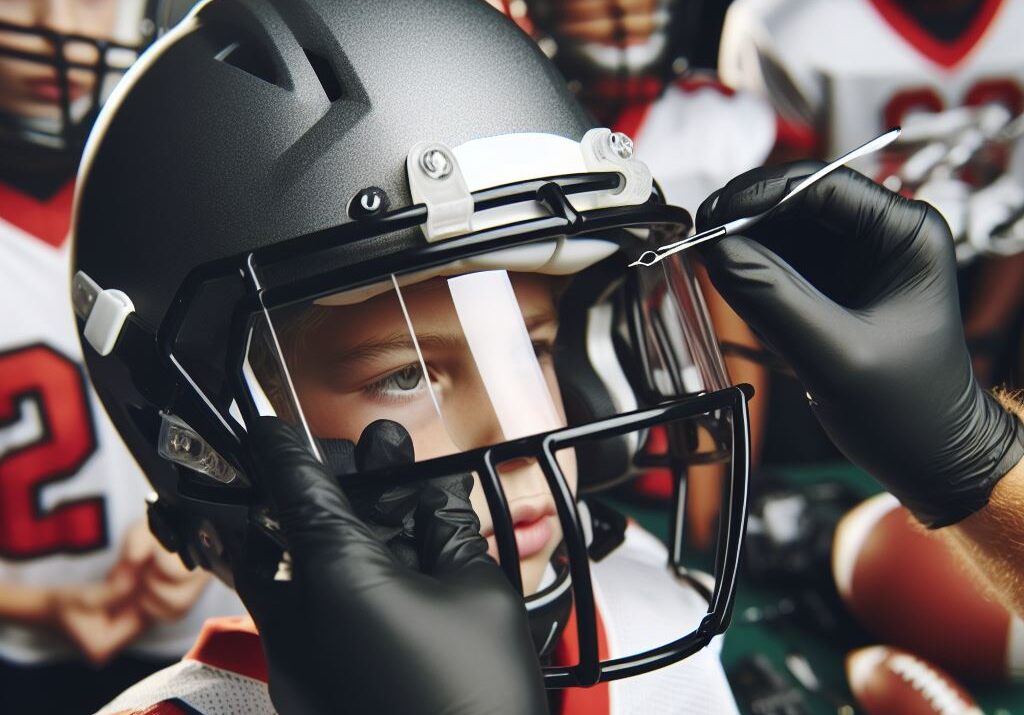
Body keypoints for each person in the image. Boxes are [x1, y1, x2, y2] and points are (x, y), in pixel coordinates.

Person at [72, 0, 754, 712]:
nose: (521, 436)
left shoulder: (660, 617)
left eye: (535, 348)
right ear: (207, 437)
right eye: (406, 374)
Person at [0, 2, 241, 713]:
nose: (56, 20)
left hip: (212, 645)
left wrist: (213, 522)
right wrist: (41, 605)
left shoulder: (213, 173)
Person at [514, 0, 778, 545]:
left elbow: (725, 326)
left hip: (673, 413)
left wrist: (722, 493)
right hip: (535, 400)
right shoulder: (507, 118)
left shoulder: (708, 126)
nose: (621, 12)